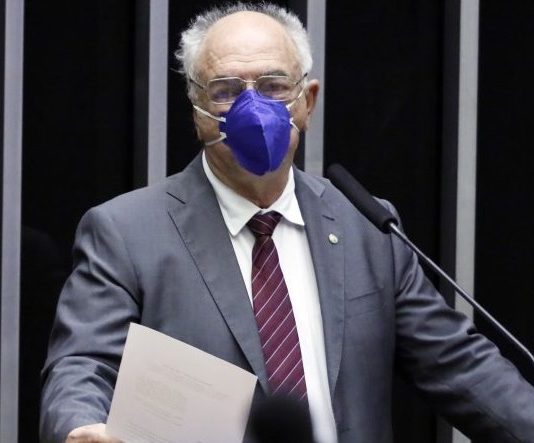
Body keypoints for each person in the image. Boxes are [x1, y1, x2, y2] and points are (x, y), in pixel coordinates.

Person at [40, 3, 534, 443]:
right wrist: (81, 426)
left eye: (274, 87)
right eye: (226, 91)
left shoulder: (366, 226)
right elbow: (83, 365)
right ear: (197, 110)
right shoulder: (127, 232)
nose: (254, 109)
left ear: (307, 102)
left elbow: (461, 368)